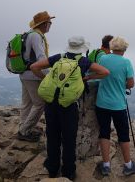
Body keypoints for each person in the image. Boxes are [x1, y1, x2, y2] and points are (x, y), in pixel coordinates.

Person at [30, 36, 110, 180]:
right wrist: (87, 78)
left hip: (51, 103)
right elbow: (105, 72)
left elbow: (34, 67)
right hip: (69, 106)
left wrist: (46, 79)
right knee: (69, 139)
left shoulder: (58, 58)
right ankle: (69, 172)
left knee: (52, 136)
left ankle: (52, 169)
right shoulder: (83, 61)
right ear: (82, 48)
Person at [91, 36, 135, 176]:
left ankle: (106, 165)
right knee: (123, 135)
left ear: (112, 47)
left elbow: (99, 75)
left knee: (104, 132)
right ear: (124, 49)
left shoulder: (103, 59)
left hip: (101, 103)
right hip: (118, 105)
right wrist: (121, 84)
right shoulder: (126, 62)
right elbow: (130, 84)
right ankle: (128, 165)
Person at [17, 11, 54, 142]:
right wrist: (50, 74)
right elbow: (41, 57)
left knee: (27, 103)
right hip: (33, 75)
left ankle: (23, 127)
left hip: (23, 73)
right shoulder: (37, 37)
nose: (51, 25)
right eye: (49, 22)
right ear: (44, 24)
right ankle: (24, 131)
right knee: (39, 104)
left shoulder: (28, 34)